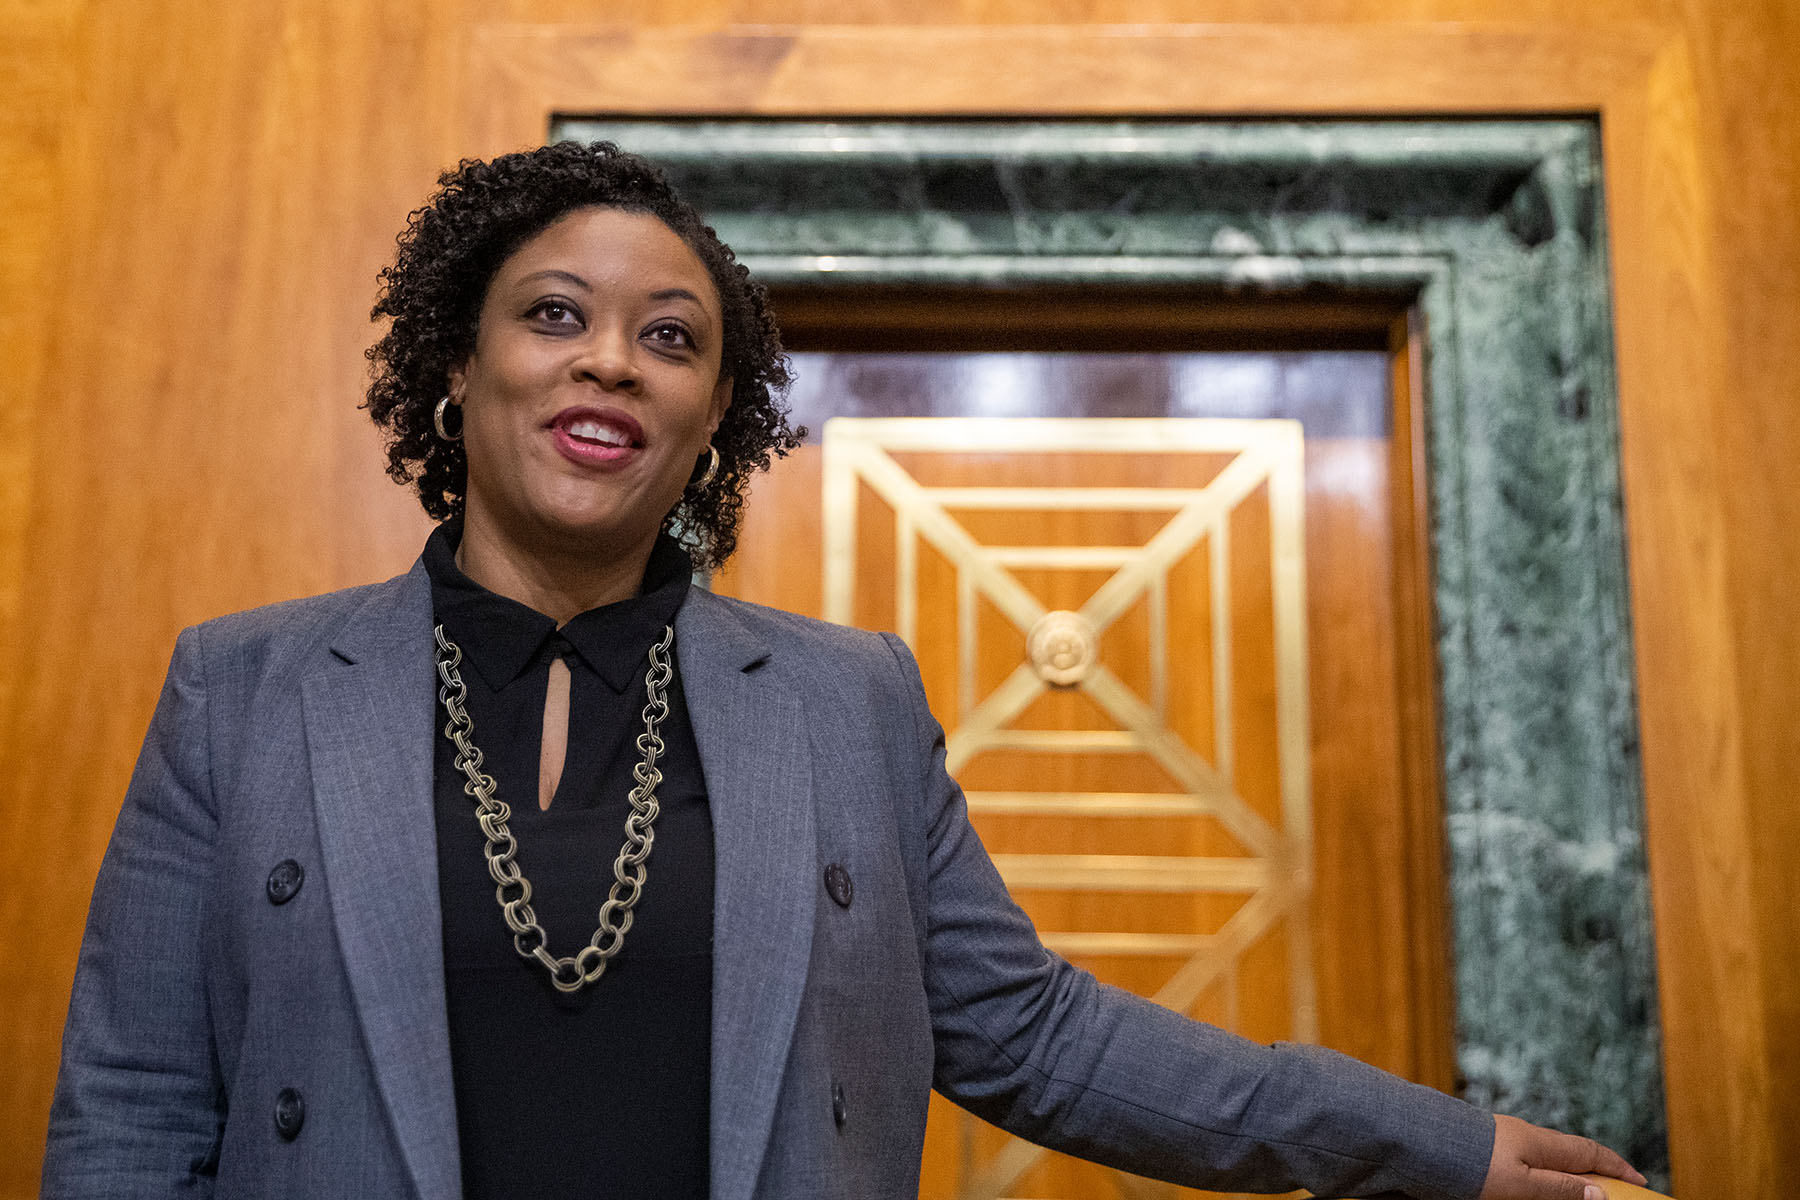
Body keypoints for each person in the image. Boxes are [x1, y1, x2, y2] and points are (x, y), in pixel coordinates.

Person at [41, 141, 1647, 1200]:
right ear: (457, 369)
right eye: (555, 315)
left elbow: (1042, 1037)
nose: (613, 357)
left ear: (711, 425)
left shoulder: (843, 696)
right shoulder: (241, 687)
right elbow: (129, 1109)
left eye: (672, 339)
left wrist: (1427, 1149)